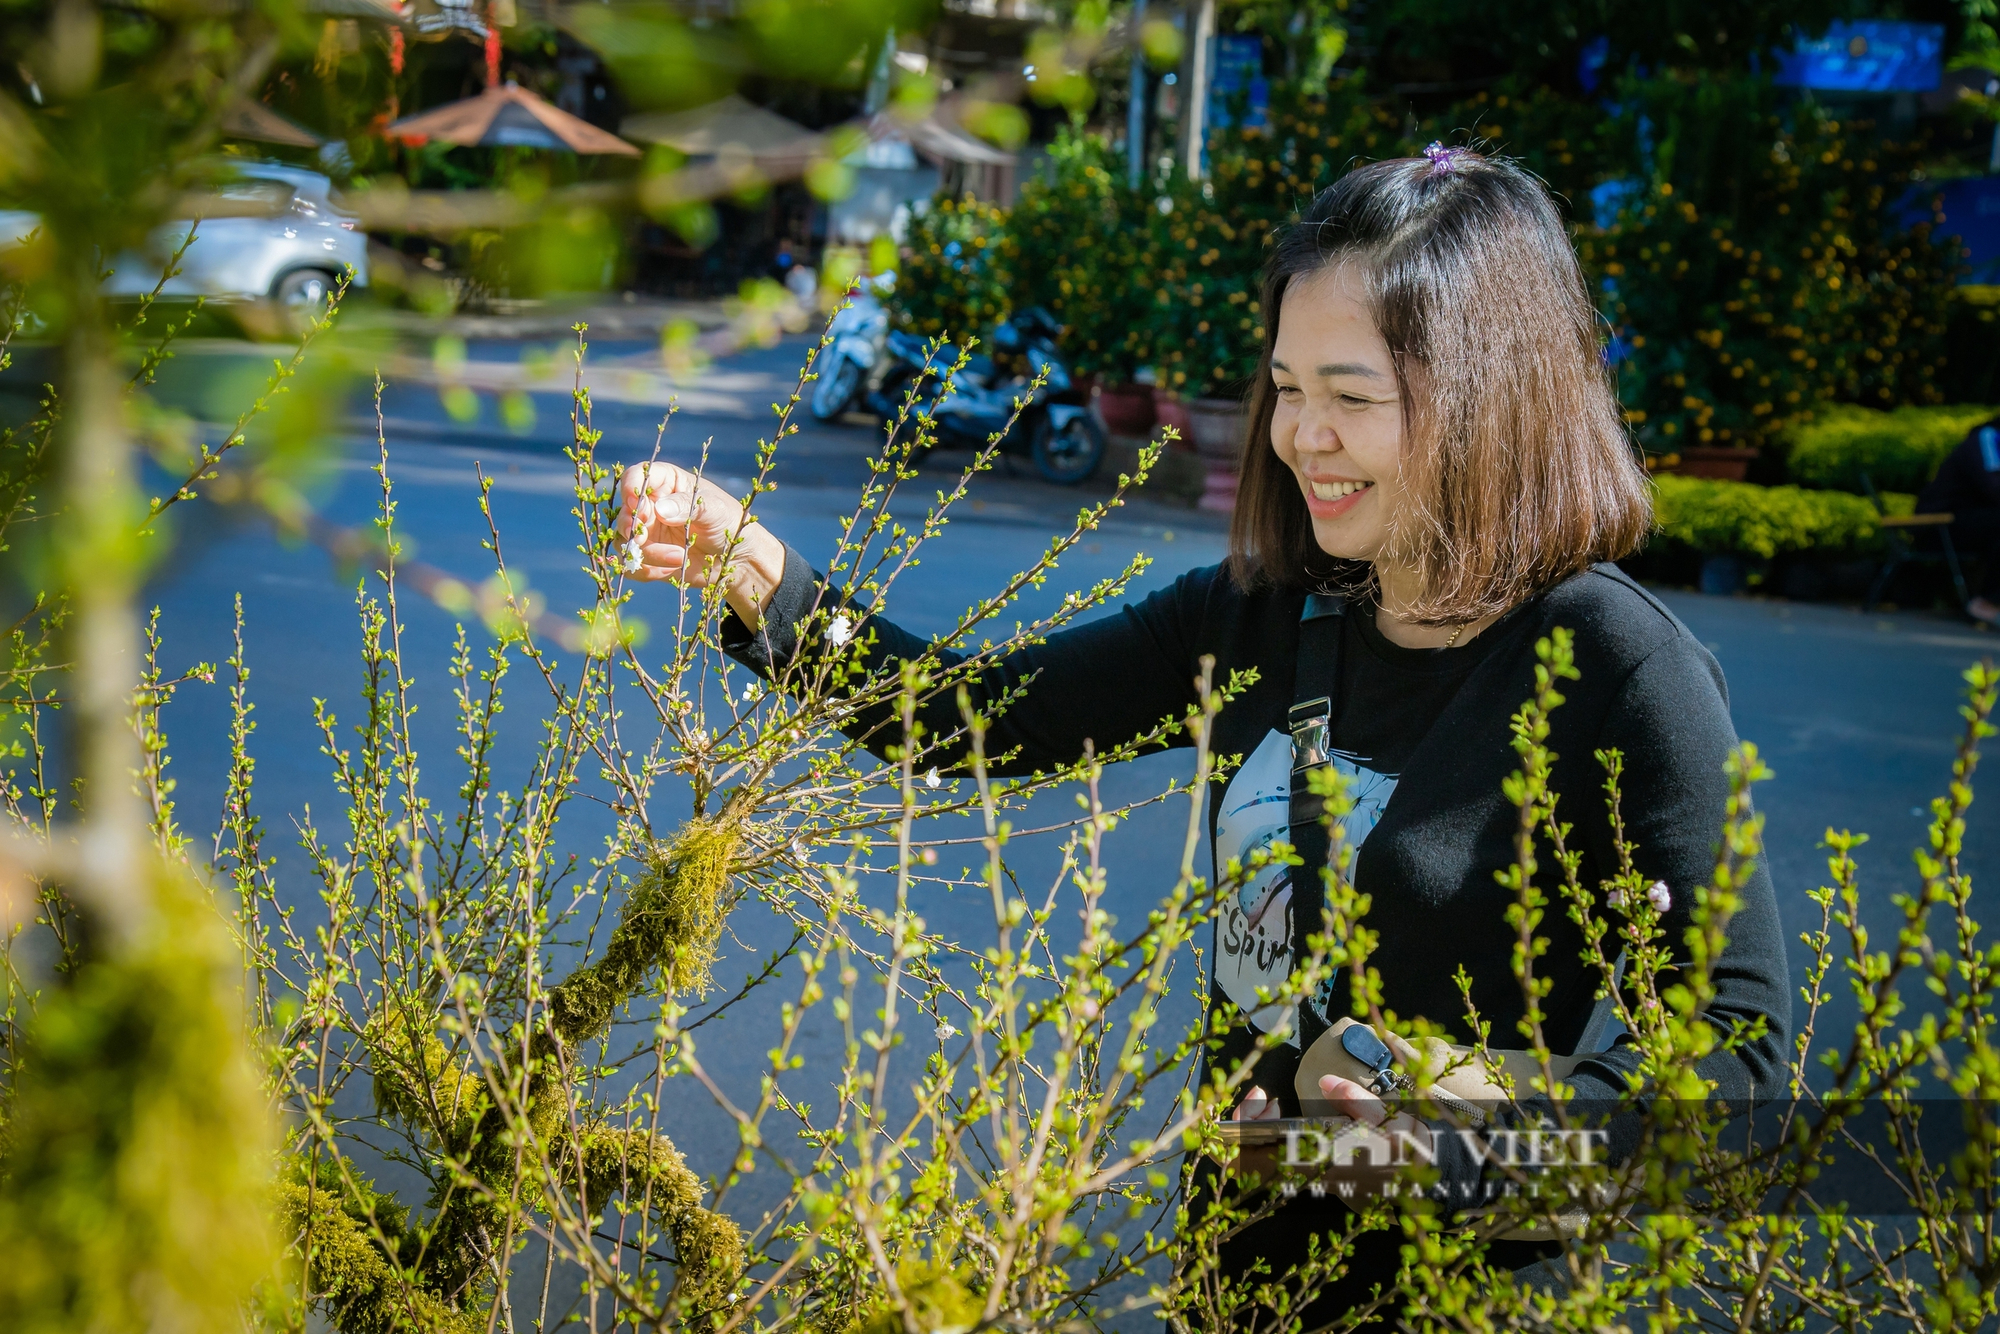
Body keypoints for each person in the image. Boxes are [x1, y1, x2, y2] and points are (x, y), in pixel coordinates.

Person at [614, 147, 1791, 1321]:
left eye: (1351, 394)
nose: (1300, 434)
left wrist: (1490, 1132)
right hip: (1231, 1277)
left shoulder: (1618, 669)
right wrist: (754, 568)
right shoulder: (1263, 613)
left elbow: (1736, 1064)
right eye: (1286, 386)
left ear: (1488, 397)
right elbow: (961, 721)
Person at [1916, 417, 2000, 627]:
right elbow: (1994, 488)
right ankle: (1988, 602)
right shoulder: (1987, 437)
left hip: (1971, 523)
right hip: (1938, 526)